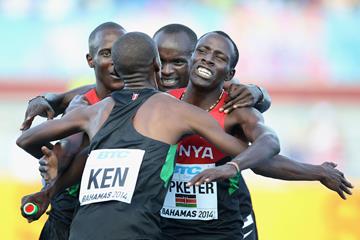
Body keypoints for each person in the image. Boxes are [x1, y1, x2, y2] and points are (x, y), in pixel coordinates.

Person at [17, 32, 281, 239]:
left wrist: (259, 93)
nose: (167, 71)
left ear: (190, 60)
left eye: (176, 61)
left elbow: (259, 147)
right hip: (150, 226)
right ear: (153, 62)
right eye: (162, 61)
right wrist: (53, 179)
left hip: (217, 222)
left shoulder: (207, 100)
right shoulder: (109, 105)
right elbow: (80, 141)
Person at [159, 31, 353, 240]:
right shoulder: (160, 102)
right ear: (192, 58)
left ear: (230, 75)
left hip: (220, 229)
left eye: (219, 57)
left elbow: (267, 146)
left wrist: (231, 167)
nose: (208, 59)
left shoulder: (236, 110)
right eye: (202, 51)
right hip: (165, 227)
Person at [27, 22, 127, 240]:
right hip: (67, 219)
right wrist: (56, 160)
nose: (115, 62)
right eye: (107, 53)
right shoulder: (81, 104)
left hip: (116, 221)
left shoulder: (147, 101)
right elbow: (63, 147)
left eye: (121, 53)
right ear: (90, 60)